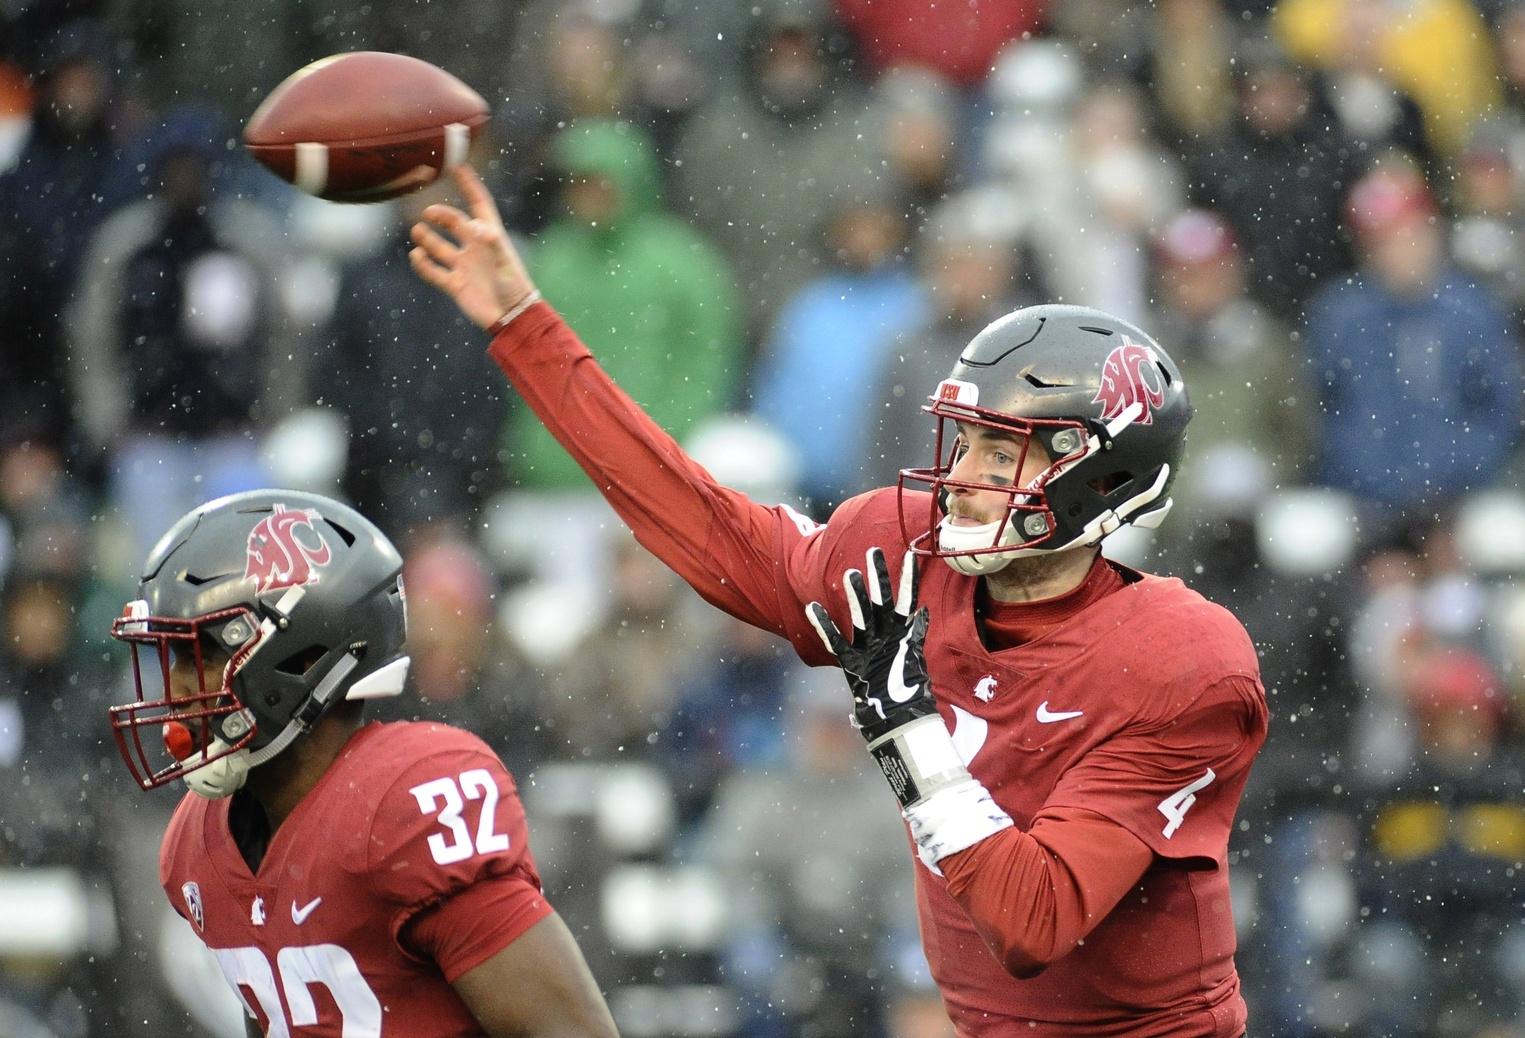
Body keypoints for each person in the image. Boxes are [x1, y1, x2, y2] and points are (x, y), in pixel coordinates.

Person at [410, 166, 1268, 1035]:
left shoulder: (1182, 665)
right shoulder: (901, 558)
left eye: (1001, 454)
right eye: (964, 440)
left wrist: (908, 733)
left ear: (1102, 476)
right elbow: (695, 519)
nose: (962, 478)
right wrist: (528, 328)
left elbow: (1031, 921)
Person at [104, 488, 617, 1038]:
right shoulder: (198, 844)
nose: (176, 686)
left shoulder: (403, 803)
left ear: (298, 657)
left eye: (199, 655)